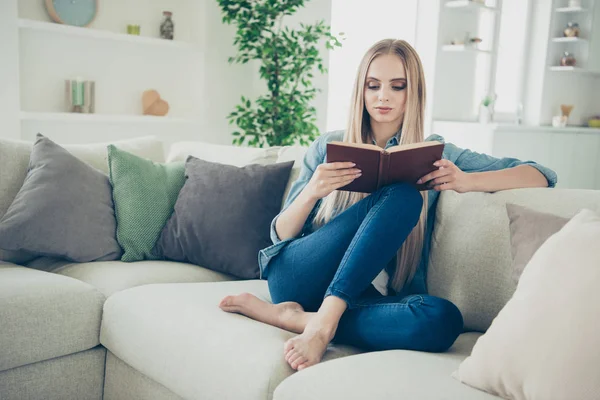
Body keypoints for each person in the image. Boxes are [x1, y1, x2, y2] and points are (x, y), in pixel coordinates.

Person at [219, 39, 557, 371]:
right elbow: (280, 235)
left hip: (368, 295)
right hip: (298, 276)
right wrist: (311, 192)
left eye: (397, 86)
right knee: (404, 195)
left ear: (414, 93)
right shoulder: (328, 145)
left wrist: (467, 181)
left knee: (442, 320)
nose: (383, 96)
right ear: (361, 91)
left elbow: (542, 174)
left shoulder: (438, 153)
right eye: (373, 85)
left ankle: (297, 319)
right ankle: (321, 327)